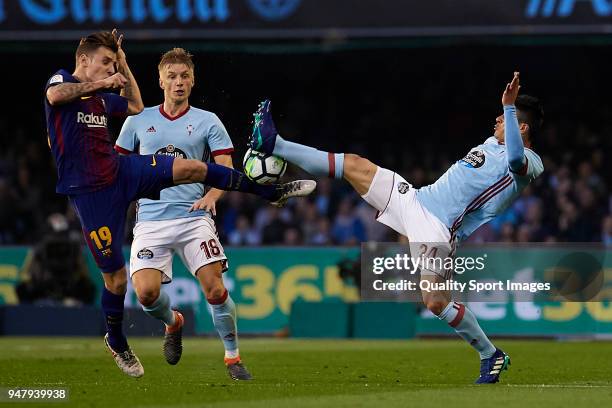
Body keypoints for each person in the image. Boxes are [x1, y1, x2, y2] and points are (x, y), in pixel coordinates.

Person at [44, 30, 315, 378]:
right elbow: (55, 95)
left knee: (193, 168)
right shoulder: (63, 81)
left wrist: (123, 65)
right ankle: (117, 339)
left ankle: (271, 193)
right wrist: (101, 83)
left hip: (124, 174)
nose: (111, 70)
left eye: (114, 63)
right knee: (118, 283)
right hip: (92, 193)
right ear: (83, 60)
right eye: (106, 63)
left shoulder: (110, 103)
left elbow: (134, 105)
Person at [248, 72, 544, 384]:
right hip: (415, 199)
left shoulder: (530, 162)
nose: (496, 122)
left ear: (520, 126)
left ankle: (490, 353)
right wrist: (509, 110)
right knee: (354, 164)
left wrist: (509, 107)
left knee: (435, 301)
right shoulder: (491, 143)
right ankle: (274, 143)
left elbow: (514, 158)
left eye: (503, 119)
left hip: (438, 227)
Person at [114, 48, 250, 380]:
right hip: (150, 220)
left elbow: (226, 169)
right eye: (172, 76)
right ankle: (173, 322)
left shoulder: (207, 121)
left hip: (193, 218)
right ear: (160, 80)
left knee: (215, 290)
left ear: (193, 81)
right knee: (146, 294)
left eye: (184, 76)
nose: (178, 82)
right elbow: (114, 168)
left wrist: (213, 194)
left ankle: (233, 357)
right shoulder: (137, 120)